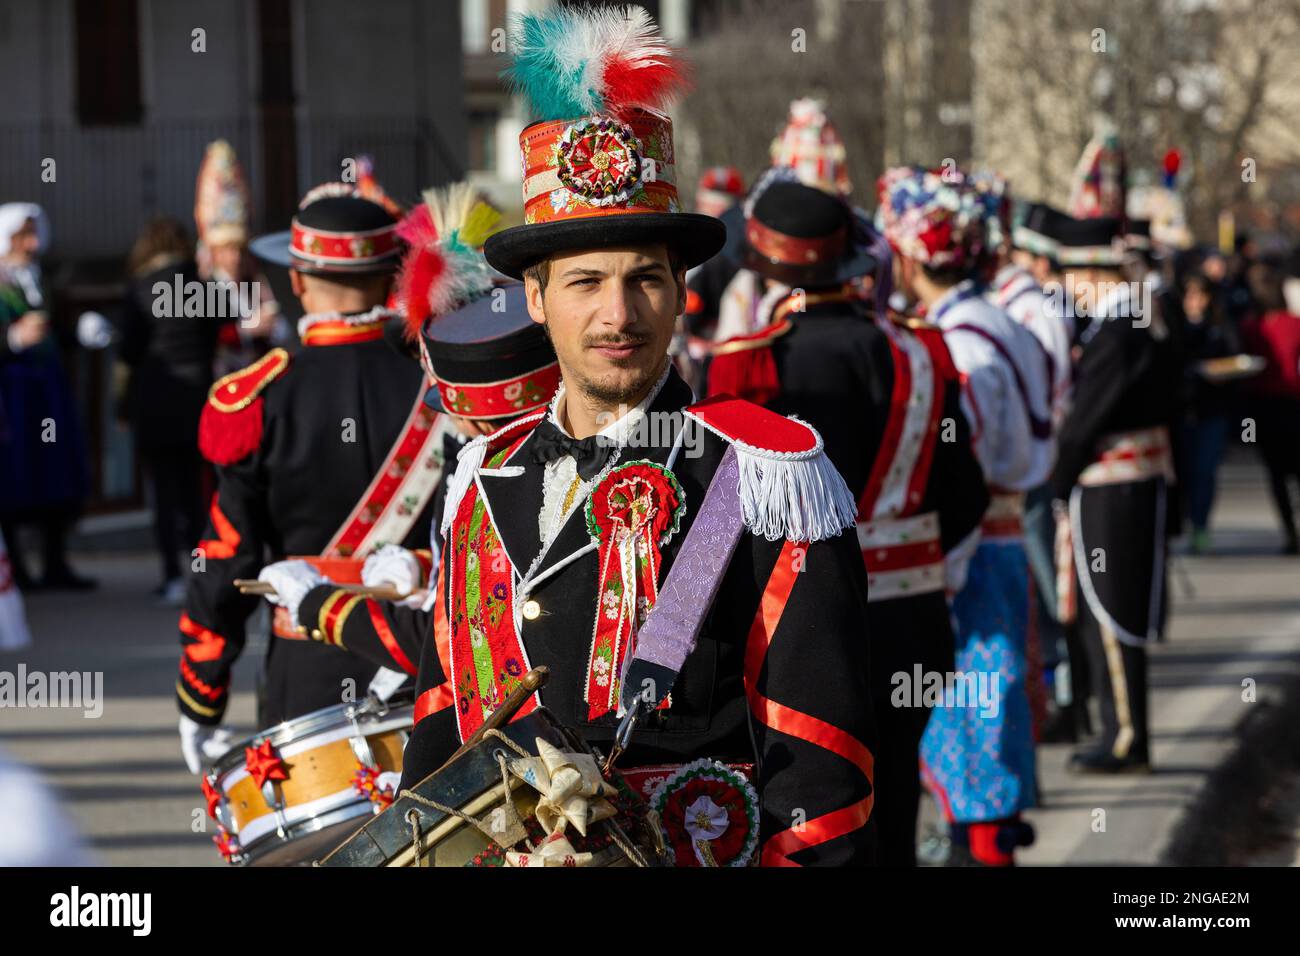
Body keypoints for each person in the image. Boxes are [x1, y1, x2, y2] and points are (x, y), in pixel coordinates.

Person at [273, 6, 877, 866]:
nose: (617, 315)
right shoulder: (483, 475)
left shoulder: (763, 473)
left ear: (680, 294)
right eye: (585, 282)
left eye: (645, 281)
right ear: (535, 296)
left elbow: (823, 783)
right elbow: (445, 723)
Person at [708, 178, 988, 865]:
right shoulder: (923, 351)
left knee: (820, 817)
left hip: (801, 632)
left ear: (769, 267)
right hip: (915, 619)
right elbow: (969, 495)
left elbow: (723, 516)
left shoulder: (748, 362)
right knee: (895, 802)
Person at [175, 183, 450, 774]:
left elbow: (228, 556)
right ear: (396, 277)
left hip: (307, 663)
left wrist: (201, 695)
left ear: (296, 280)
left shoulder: (261, 395)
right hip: (429, 657)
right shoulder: (447, 384)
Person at [260, 183, 562, 681]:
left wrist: (318, 604)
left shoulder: (495, 480)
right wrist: (424, 570)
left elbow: (447, 647)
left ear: (478, 417)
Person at [879, 166, 1054, 866]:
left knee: (973, 716)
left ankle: (980, 847)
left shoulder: (963, 345)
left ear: (914, 256)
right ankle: (985, 837)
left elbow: (964, 476)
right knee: (994, 704)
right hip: (1003, 540)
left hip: (972, 552)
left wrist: (940, 573)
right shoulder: (1001, 321)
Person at [1051, 215, 1181, 774]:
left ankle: (1126, 735)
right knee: (1108, 606)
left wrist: (1056, 478)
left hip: (1113, 482)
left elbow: (1084, 424)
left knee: (1109, 610)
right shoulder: (1140, 317)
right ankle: (1121, 730)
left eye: (1073, 273)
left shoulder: (1118, 330)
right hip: (1135, 481)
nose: (1067, 286)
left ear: (1094, 272)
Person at [116, 218, 223, 603]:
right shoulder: (200, 285)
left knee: (162, 492)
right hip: (197, 397)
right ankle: (200, 571)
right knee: (196, 490)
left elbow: (128, 350)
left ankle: (172, 575)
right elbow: (222, 328)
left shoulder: (139, 288)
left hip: (156, 399)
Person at [0, 203, 95, 591]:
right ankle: (18, 566)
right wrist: (10, 340)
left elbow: (54, 332)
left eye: (34, 234)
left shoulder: (40, 281)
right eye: (24, 235)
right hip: (12, 397)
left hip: (46, 393)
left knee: (55, 473)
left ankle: (55, 561)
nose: (33, 243)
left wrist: (77, 336)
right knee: (15, 477)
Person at [1175, 271, 1239, 553]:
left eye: (1200, 295)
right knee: (1185, 472)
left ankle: (1200, 526)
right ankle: (1186, 520)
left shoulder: (1221, 325)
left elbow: (1236, 357)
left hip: (1212, 410)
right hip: (1182, 410)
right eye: (1190, 295)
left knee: (1205, 472)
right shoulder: (1174, 326)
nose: (1195, 302)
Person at [1239, 261, 1300, 554]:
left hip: (1264, 405)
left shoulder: (1251, 327)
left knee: (1276, 473)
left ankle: (1290, 531)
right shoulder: (1294, 324)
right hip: (1292, 402)